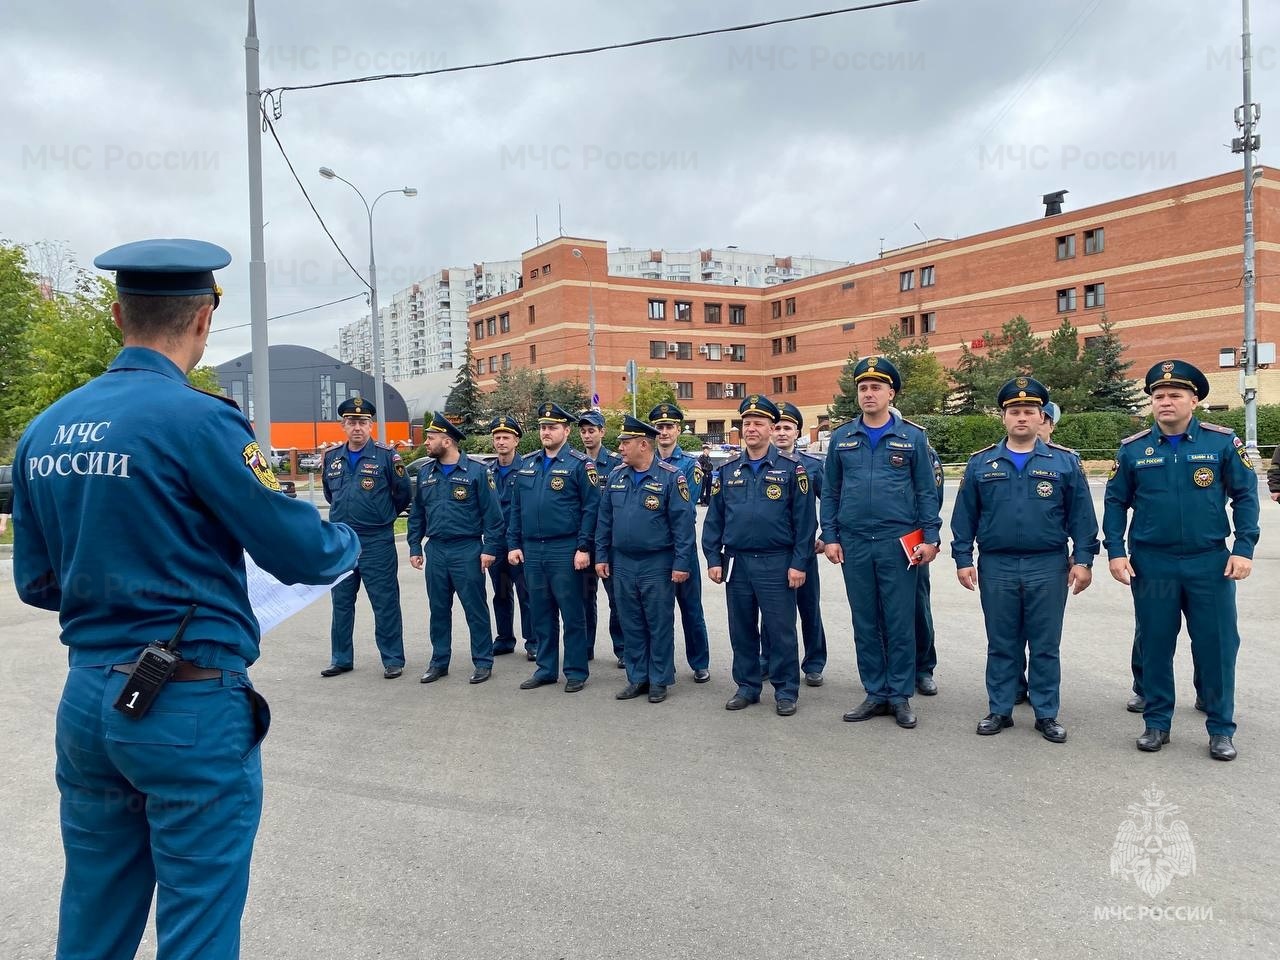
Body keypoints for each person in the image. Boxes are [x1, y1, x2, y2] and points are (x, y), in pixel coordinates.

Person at [12, 238, 360, 960]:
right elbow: (299, 550)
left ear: (116, 316)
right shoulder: (201, 422)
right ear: (204, 321)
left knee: (95, 910)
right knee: (198, 921)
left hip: (87, 705)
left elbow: (36, 581)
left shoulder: (42, 432)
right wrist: (348, 541)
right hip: (183, 704)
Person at [1103, 360, 1259, 761]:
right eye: (1159, 396)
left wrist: (1244, 548)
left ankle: (1221, 728)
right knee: (1155, 644)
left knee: (1218, 645)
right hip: (1152, 563)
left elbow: (1245, 496)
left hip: (1210, 562)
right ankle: (1156, 723)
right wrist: (1116, 552)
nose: (1166, 402)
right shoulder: (1134, 448)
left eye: (1174, 395)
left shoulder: (1221, 443)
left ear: (1194, 400)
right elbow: (1116, 502)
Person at [950, 377, 1099, 743]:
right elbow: (964, 516)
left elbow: (1082, 517)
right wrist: (962, 557)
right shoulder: (982, 463)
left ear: (1040, 417)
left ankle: (1046, 713)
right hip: (996, 564)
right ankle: (999, 709)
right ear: (1003, 417)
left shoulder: (1064, 463)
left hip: (1048, 564)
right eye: (1014, 411)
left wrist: (1083, 560)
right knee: (1002, 642)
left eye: (1029, 411)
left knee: (1045, 643)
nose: (1021, 417)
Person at [821, 357, 941, 730]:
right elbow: (831, 491)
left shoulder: (913, 437)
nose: (869, 393)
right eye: (863, 388)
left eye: (876, 387)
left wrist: (931, 538)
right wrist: (830, 536)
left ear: (891, 393)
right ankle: (875, 691)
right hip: (855, 543)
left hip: (898, 542)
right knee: (866, 620)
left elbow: (926, 492)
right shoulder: (842, 437)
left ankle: (900, 694)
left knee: (900, 620)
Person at [703, 394, 817, 716]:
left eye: (759, 423)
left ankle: (785, 690)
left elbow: (806, 523)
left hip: (777, 562)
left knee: (780, 629)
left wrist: (799, 563)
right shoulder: (726, 472)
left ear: (770, 429)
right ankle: (748, 686)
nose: (751, 428)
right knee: (741, 628)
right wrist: (713, 558)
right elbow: (715, 519)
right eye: (747, 423)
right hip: (737, 562)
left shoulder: (792, 470)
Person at [595, 415, 696, 703]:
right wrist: (602, 554)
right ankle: (637, 677)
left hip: (657, 562)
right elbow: (604, 520)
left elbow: (683, 524)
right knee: (631, 621)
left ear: (643, 444)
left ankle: (659, 679)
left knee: (659, 621)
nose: (621, 448)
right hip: (623, 562)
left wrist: (681, 564)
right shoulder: (616, 475)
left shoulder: (670, 476)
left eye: (625, 443)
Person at [508, 402, 601, 692]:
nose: (546, 432)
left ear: (566, 430)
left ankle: (575, 671)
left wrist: (584, 547)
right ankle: (546, 668)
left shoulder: (579, 464)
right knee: (541, 611)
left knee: (572, 612)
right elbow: (515, 508)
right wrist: (513, 543)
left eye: (552, 427)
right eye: (543, 427)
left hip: (566, 547)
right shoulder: (528, 463)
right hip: (533, 550)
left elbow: (591, 508)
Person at [320, 395, 413, 679]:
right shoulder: (332, 458)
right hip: (343, 541)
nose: (356, 427)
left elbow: (403, 494)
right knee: (342, 602)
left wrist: (382, 517)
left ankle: (393, 658)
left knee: (384, 601)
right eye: (351, 422)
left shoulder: (387, 456)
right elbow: (329, 494)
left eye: (362, 422)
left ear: (371, 425)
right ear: (342, 425)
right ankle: (341, 658)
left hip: (376, 541)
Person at [409, 412, 505, 685]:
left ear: (447, 441)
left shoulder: (477, 472)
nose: (426, 442)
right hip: (436, 549)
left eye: (431, 438)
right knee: (438, 609)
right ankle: (439, 661)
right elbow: (417, 514)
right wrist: (415, 545)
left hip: (468, 549)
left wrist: (489, 549)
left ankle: (483, 661)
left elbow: (493, 517)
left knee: (475, 608)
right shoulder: (427, 472)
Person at [762, 402, 827, 686]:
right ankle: (769, 659)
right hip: (772, 551)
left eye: (787, 428)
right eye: (776, 428)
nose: (781, 433)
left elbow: (833, 504)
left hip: (803, 551)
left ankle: (813, 662)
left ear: (798, 432)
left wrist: (827, 536)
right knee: (771, 609)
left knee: (808, 607)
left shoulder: (812, 466)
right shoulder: (759, 463)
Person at [650, 402, 712, 683]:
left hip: (681, 545)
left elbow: (685, 508)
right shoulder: (645, 461)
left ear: (678, 430)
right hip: (656, 550)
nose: (663, 431)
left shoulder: (690, 465)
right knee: (658, 611)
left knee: (691, 608)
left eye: (668, 427)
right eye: (659, 427)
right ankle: (663, 665)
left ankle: (699, 662)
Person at [577, 409, 625, 666]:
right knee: (584, 598)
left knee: (617, 599)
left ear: (602, 432)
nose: (586, 435)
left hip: (609, 542)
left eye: (591, 430)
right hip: (584, 543)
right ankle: (585, 648)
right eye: (583, 431)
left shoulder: (617, 464)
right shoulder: (575, 462)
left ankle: (623, 649)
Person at [486, 415, 535, 660]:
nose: (501, 442)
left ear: (516, 440)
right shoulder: (487, 471)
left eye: (506, 437)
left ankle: (532, 641)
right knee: (501, 592)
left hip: (520, 542)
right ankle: (504, 638)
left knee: (527, 593)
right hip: (496, 542)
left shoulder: (527, 470)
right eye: (497, 438)